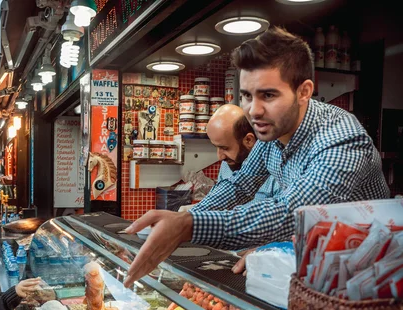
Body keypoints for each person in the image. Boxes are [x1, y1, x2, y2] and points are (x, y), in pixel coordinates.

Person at [123, 27, 389, 287]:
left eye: (269, 95)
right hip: (317, 260)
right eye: (247, 96)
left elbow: (292, 214)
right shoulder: (272, 133)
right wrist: (173, 226)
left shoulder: (342, 138)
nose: (254, 111)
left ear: (304, 91)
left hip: (370, 274)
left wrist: (189, 225)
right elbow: (237, 187)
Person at [209, 104, 281, 202]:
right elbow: (220, 199)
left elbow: (278, 212)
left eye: (225, 148)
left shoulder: (276, 168)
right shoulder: (228, 164)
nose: (220, 157)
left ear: (248, 140)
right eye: (216, 147)